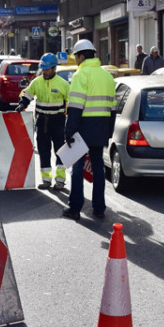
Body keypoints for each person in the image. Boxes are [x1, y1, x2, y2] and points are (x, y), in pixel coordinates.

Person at [63, 39, 116, 220]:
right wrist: (108, 132)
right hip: (101, 127)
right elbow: (113, 108)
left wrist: (69, 131)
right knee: (98, 167)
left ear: (82, 56)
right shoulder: (107, 76)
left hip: (83, 128)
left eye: (76, 57)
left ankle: (75, 208)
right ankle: (99, 208)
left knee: (77, 169)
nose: (75, 60)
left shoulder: (81, 75)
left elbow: (75, 107)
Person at [16, 53, 70, 190]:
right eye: (43, 69)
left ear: (54, 69)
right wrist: (22, 104)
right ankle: (46, 180)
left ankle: (60, 180)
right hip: (42, 122)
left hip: (58, 122)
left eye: (47, 69)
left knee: (61, 152)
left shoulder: (63, 84)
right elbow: (27, 94)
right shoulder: (37, 82)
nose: (44, 72)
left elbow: (72, 103)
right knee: (44, 151)